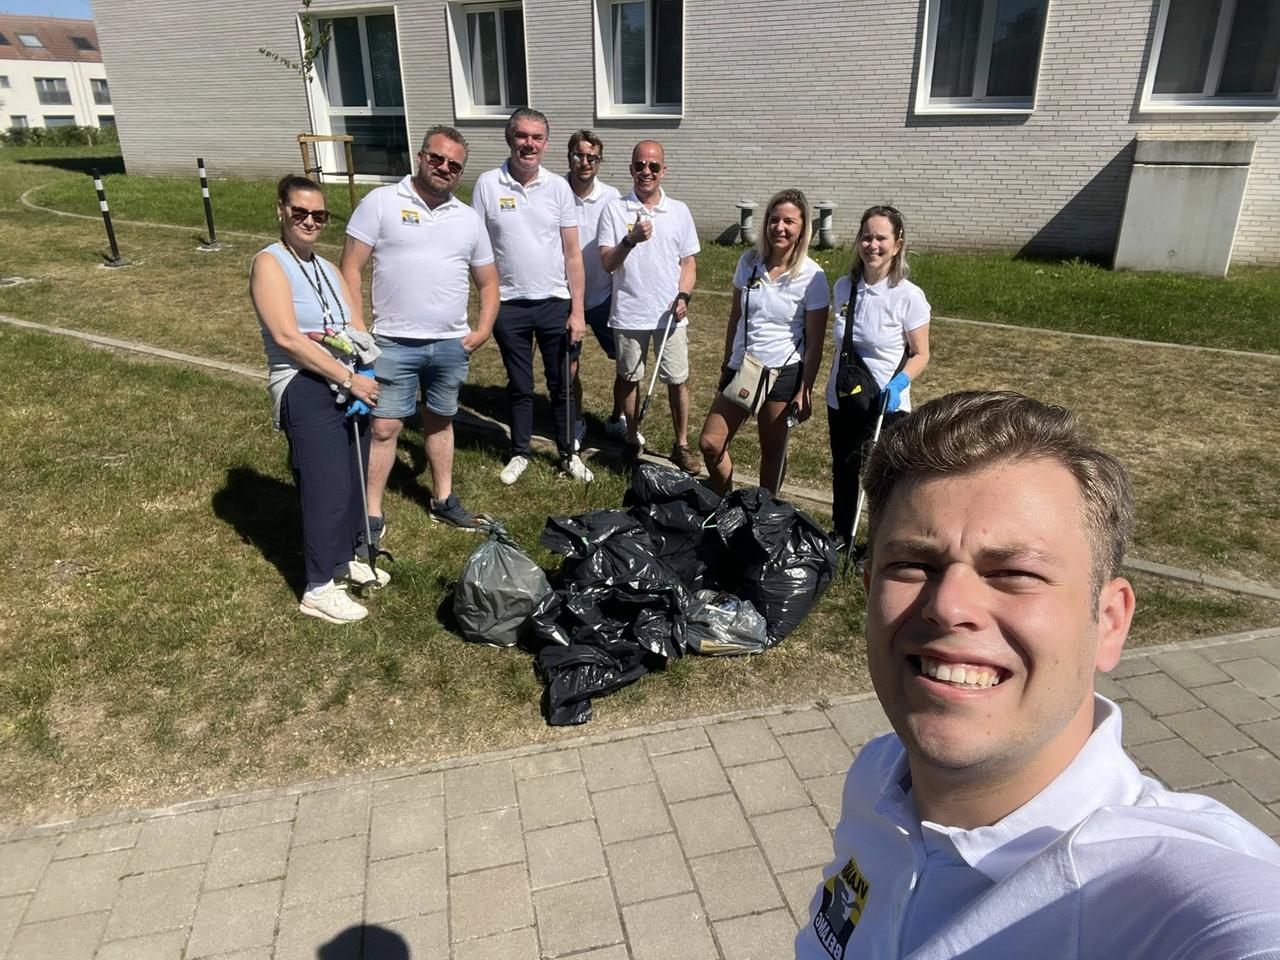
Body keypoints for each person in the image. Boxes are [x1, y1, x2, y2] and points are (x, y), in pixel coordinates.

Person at [795, 390, 1280, 960]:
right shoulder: (877, 778)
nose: (948, 606)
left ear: (1109, 621)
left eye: (1013, 572)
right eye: (912, 565)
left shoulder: (1168, 891)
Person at [339, 126, 498, 545]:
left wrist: (482, 328)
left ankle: (443, 500)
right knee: (386, 427)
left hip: (450, 344)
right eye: (437, 158)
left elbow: (489, 282)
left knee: (441, 422)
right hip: (391, 341)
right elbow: (350, 268)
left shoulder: (468, 219)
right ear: (421, 156)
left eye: (454, 165)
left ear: (460, 172)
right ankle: (371, 512)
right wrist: (358, 328)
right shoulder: (381, 203)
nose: (444, 168)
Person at [250, 174, 382, 624]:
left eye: (319, 215)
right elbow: (288, 337)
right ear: (281, 211)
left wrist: (366, 368)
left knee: (351, 475)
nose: (309, 221)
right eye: (299, 212)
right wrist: (348, 377)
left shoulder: (325, 267)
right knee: (326, 484)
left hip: (345, 381)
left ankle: (345, 559)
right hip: (303, 382)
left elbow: (350, 325)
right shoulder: (269, 263)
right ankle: (318, 586)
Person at [472, 108, 592, 484]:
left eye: (537, 137)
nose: (529, 144)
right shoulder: (488, 185)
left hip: (555, 303)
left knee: (561, 386)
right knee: (521, 387)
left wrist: (578, 312)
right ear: (510, 138)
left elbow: (573, 254)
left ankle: (568, 454)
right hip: (509, 306)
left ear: (546, 143)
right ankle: (520, 452)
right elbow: (476, 249)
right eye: (522, 136)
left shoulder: (559, 187)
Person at [697, 189, 829, 494]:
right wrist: (726, 363)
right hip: (743, 368)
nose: (779, 227)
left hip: (782, 373)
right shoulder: (748, 263)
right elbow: (735, 317)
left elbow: (815, 343)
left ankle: (763, 516)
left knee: (772, 454)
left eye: (788, 221)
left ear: (802, 228)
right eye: (773, 219)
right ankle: (726, 503)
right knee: (710, 443)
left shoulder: (813, 276)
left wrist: (804, 389)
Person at [825, 204, 930, 549]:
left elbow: (920, 353)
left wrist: (899, 384)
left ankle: (881, 542)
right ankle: (842, 534)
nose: (873, 245)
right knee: (844, 467)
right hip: (844, 397)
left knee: (882, 478)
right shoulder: (844, 287)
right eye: (866, 237)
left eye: (881, 238)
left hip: (887, 403)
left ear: (897, 244)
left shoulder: (909, 296)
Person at [598, 140, 702, 474]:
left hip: (669, 314)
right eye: (640, 165)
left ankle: (682, 444)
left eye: (653, 166)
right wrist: (629, 240)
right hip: (629, 311)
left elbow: (688, 263)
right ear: (631, 169)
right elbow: (607, 263)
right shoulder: (615, 210)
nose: (647, 172)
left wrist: (683, 296)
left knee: (677, 380)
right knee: (628, 377)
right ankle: (631, 438)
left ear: (663, 171)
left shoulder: (679, 211)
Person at [564, 129, 624, 448]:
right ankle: (576, 420)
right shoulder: (554, 191)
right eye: (578, 155)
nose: (584, 162)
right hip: (566, 296)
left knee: (625, 360)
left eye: (592, 157)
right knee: (569, 365)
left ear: (599, 161)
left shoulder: (613, 197)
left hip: (604, 295)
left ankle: (617, 418)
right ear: (569, 156)